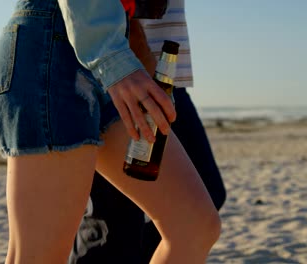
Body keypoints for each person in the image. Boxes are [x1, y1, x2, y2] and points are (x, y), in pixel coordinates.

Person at [0, 0, 221, 263]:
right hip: (56, 46)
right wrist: (115, 60)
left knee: (194, 227)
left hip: (111, 48)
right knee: (37, 257)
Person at [69, 1, 226, 263]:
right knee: (114, 221)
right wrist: (134, 46)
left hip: (164, 75)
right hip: (126, 71)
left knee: (205, 196)